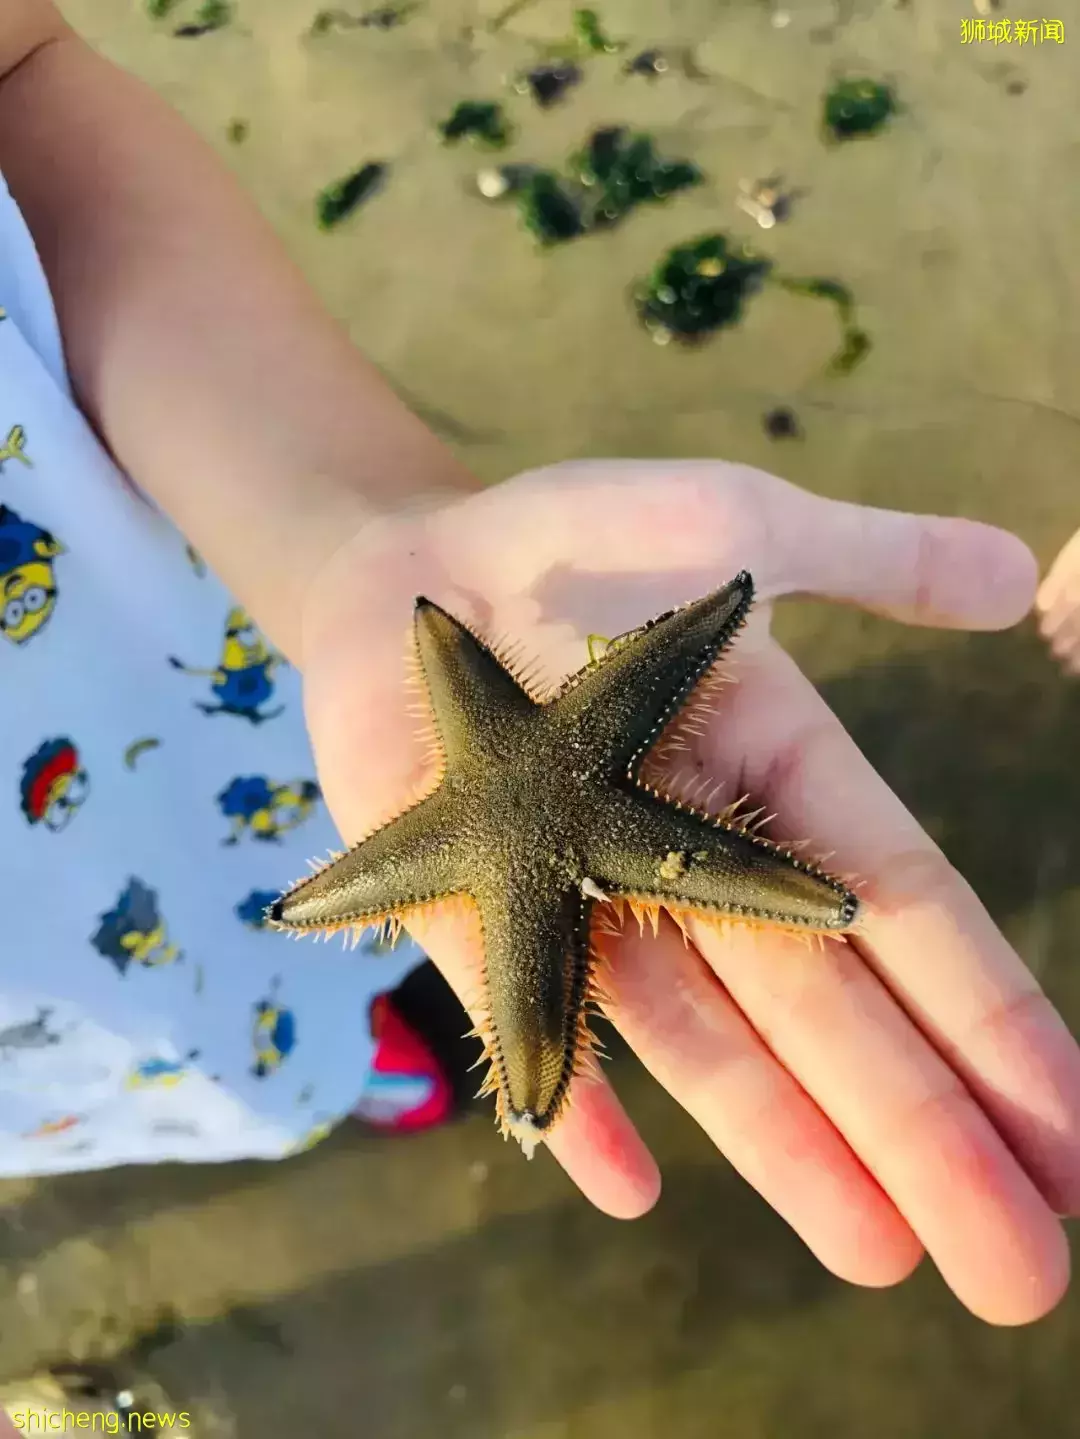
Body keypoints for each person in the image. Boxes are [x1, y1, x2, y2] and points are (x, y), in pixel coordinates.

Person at [0, 0, 1078, 1341]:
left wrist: (361, 533)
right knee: (234, 1032)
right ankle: (333, 1064)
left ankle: (358, 1046)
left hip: (214, 708)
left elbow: (22, 74)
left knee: (296, 944)